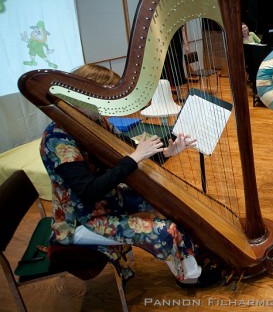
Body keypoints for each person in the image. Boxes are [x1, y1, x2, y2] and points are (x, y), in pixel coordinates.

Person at [40, 64, 222, 288]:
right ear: (85, 96)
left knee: (169, 205)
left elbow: (130, 153)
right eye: (106, 97)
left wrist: (167, 152)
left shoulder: (95, 121)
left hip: (110, 202)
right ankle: (191, 277)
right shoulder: (57, 137)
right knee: (163, 230)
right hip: (80, 220)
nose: (110, 104)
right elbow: (88, 191)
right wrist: (135, 157)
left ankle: (189, 254)